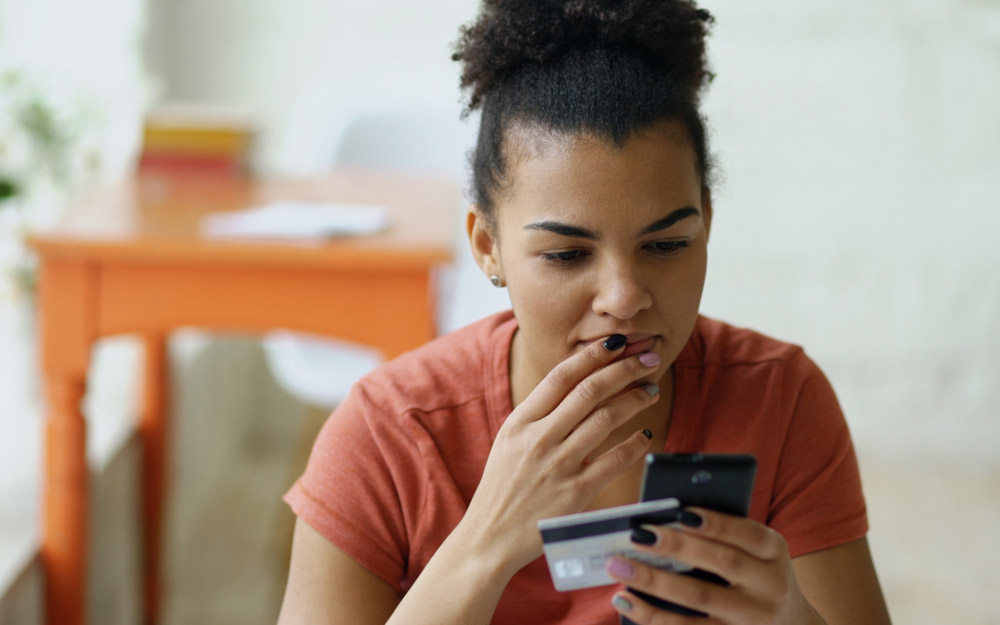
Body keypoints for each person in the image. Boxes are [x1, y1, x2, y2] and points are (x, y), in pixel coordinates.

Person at [276, 1, 892, 623]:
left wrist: (792, 618)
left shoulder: (781, 401)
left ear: (706, 221)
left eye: (667, 245)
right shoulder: (387, 435)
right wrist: (485, 544)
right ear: (489, 247)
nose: (624, 297)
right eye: (568, 254)